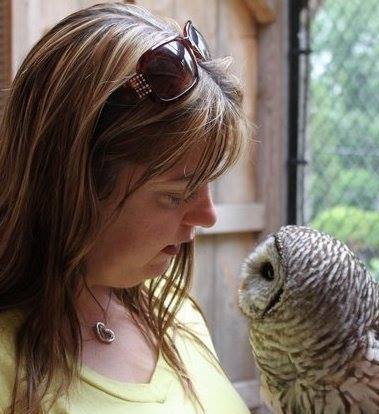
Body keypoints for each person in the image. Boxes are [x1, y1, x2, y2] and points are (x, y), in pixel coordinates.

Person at [0, 2, 255, 414]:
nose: (208, 216)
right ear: (72, 185)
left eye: (208, 185)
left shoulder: (175, 312)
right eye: (175, 195)